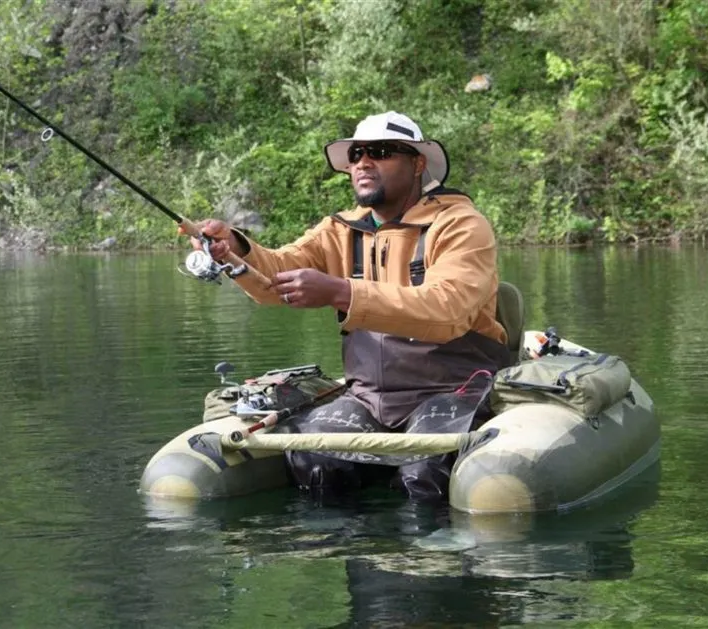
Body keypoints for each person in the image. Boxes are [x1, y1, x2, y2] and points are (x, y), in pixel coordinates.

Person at [186, 111, 511, 500]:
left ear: (418, 163)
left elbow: (450, 308)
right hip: (368, 396)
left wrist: (342, 292)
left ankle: (434, 555)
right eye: (356, 154)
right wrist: (236, 251)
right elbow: (276, 277)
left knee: (424, 475)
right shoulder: (339, 229)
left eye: (382, 152)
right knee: (316, 464)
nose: (363, 162)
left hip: (454, 389)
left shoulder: (461, 224)